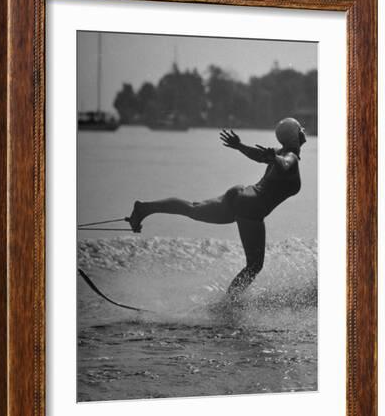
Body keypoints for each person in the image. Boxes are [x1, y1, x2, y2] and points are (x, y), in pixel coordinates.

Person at [127, 117, 307, 294]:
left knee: (193, 208)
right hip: (251, 208)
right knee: (254, 266)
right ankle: (228, 305)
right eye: (301, 130)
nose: (304, 132)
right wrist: (273, 158)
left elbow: (262, 157)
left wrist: (240, 146)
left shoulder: (280, 152)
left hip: (240, 194)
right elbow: (284, 164)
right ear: (295, 135)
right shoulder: (289, 157)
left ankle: (145, 209)